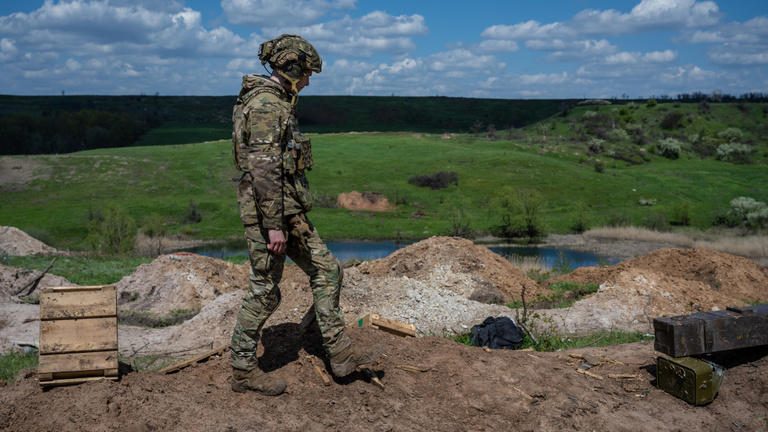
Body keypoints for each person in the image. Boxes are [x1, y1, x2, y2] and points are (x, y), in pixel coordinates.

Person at [229, 34, 375, 396]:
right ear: (290, 67)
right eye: (307, 73)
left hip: (288, 212)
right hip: (271, 218)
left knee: (327, 271)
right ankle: (243, 370)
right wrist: (274, 226)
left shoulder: (278, 101)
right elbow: (264, 170)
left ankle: (339, 354)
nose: (309, 80)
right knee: (265, 292)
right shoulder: (265, 105)